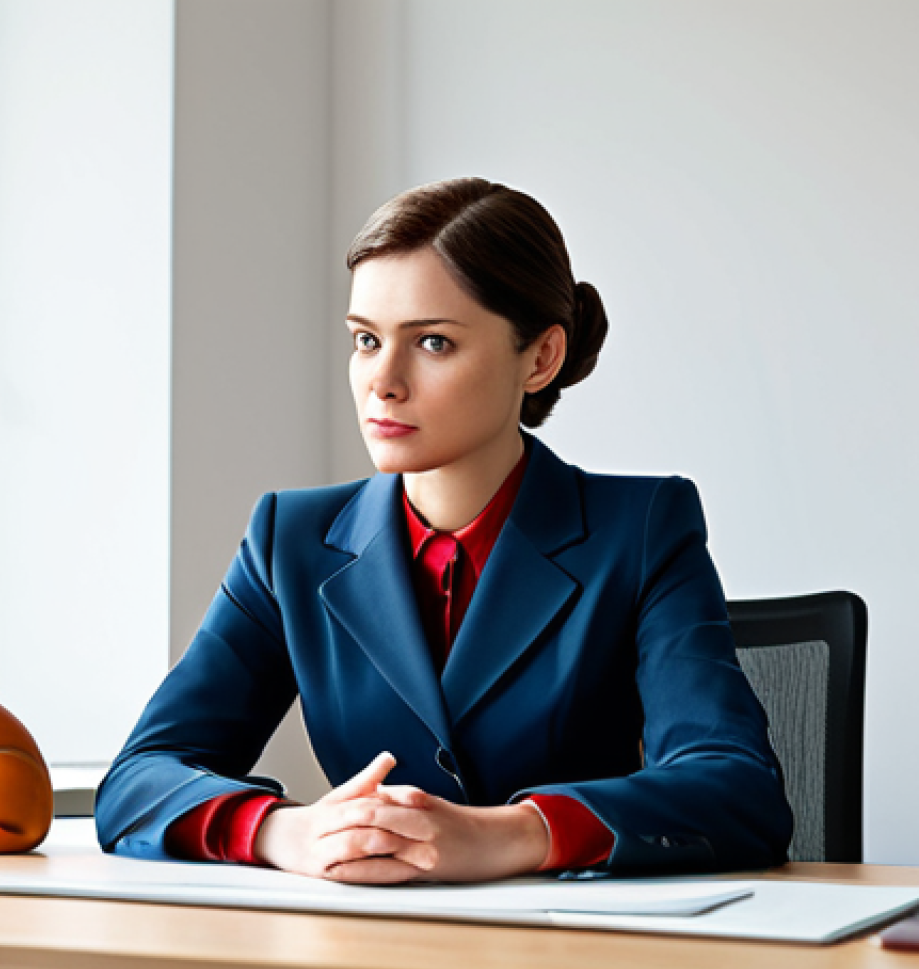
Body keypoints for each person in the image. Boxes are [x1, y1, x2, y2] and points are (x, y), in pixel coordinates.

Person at [95, 178, 793, 882]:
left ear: (540, 358)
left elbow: (738, 790)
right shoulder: (291, 539)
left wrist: (512, 834)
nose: (383, 382)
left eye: (432, 342)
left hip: (574, 956)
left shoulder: (640, 530)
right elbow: (137, 781)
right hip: (361, 949)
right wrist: (287, 833)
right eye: (366, 340)